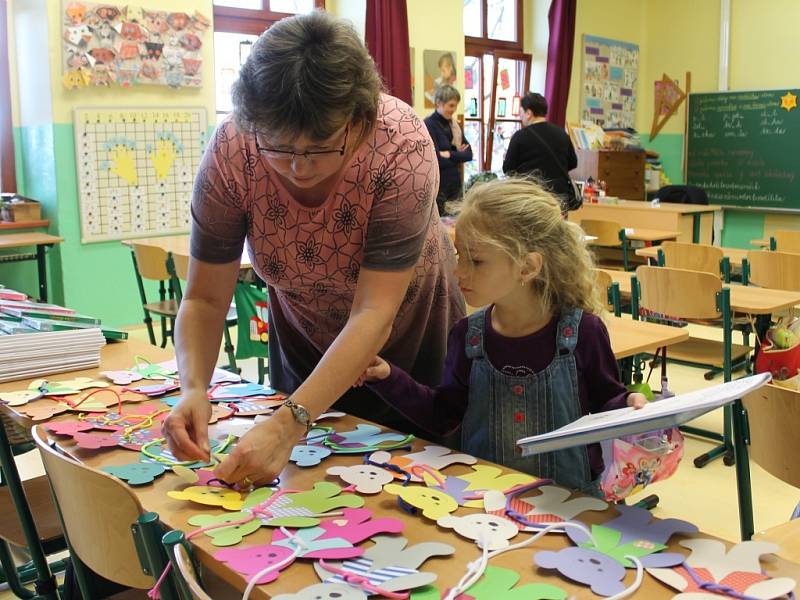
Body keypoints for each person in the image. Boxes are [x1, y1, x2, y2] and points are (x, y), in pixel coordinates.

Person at [162, 11, 465, 488]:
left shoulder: (400, 143)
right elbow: (203, 298)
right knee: (306, 502)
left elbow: (373, 312)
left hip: (410, 352)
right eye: (279, 147)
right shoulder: (233, 150)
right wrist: (194, 387)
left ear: (361, 121)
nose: (298, 167)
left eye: (321, 147)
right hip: (305, 346)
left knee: (408, 500)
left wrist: (288, 423)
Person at [358, 178, 646, 493]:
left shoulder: (583, 333)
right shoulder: (467, 335)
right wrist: (387, 377)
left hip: (571, 505)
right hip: (486, 504)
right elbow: (443, 416)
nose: (459, 271)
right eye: (459, 255)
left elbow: (607, 401)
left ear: (528, 267)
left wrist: (630, 404)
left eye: (476, 260)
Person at [502, 92, 578, 203]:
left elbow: (508, 169)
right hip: (558, 197)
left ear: (528, 113)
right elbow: (573, 162)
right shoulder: (562, 134)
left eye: (521, 112)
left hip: (530, 196)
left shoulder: (520, 136)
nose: (520, 116)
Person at [424, 85, 473, 216]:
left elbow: (469, 154)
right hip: (439, 186)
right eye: (451, 106)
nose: (454, 110)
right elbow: (436, 160)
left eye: (455, 106)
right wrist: (458, 155)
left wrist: (449, 154)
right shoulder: (428, 125)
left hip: (455, 183)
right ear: (439, 103)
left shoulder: (454, 125)